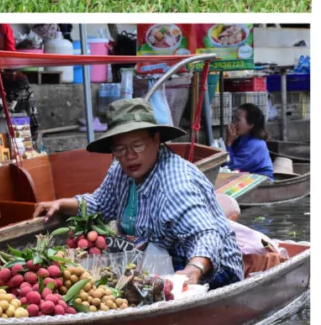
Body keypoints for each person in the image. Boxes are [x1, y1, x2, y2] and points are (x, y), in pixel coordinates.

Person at [33, 98, 243, 288]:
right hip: (157, 259)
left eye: (138, 145)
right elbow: (99, 204)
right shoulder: (120, 170)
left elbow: (204, 234)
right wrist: (60, 204)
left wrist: (193, 270)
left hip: (210, 271)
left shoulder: (176, 184)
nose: (130, 156)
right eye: (121, 149)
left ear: (156, 140)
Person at [226, 103, 274, 179]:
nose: (234, 123)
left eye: (238, 120)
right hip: (248, 176)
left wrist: (229, 142)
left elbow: (230, 166)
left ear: (251, 124)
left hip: (262, 180)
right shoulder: (241, 138)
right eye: (234, 119)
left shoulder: (255, 144)